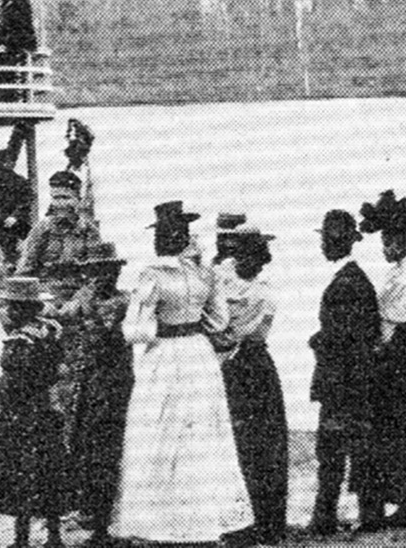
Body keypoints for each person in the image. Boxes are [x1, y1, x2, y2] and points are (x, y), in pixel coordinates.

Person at [110, 201, 252, 544]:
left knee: (160, 432)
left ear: (161, 237)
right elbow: (218, 321)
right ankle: (202, 517)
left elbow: (136, 331)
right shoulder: (205, 274)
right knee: (202, 434)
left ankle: (164, 520)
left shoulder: (152, 275)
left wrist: (153, 325)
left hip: (166, 355)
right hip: (199, 355)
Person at [358, 188, 406, 528]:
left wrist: (379, 348)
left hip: (403, 346)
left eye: (388, 240)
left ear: (401, 240)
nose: (385, 247)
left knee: (403, 423)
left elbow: (392, 317)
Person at [308, 208, 381, 535]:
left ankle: (325, 518)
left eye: (325, 238)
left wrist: (317, 340)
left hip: (341, 380)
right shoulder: (357, 279)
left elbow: (340, 337)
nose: (323, 244)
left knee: (332, 450)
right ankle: (370, 514)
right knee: (359, 447)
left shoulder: (345, 283)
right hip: (358, 379)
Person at [216, 226, 288, 545]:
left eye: (258, 256)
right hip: (227, 364)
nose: (254, 262)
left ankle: (269, 520)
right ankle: (238, 523)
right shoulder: (219, 280)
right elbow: (214, 321)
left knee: (266, 441)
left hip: (255, 364)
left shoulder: (265, 289)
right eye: (247, 254)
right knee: (235, 442)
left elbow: (252, 329)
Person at [0, 278, 70, 548]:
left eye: (11, 307)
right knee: (50, 470)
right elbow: (56, 369)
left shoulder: (21, 340)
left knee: (21, 472)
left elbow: (17, 381)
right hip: (47, 407)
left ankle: (22, 539)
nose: (8, 312)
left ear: (22, 308)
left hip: (21, 413)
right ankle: (54, 535)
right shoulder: (51, 330)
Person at [63, 242, 132, 548]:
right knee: (83, 443)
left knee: (108, 448)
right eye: (95, 272)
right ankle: (90, 508)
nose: (101, 277)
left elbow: (115, 334)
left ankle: (106, 519)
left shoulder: (124, 302)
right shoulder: (85, 296)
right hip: (87, 380)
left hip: (114, 383)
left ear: (116, 272)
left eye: (107, 271)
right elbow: (64, 315)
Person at [16, 170, 104, 304]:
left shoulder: (89, 231)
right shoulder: (42, 230)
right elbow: (24, 272)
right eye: (56, 198)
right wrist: (40, 301)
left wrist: (79, 301)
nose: (60, 204)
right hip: (46, 295)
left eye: (66, 198)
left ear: (78, 200)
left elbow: (97, 275)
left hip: (79, 296)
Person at [0, 154, 33, 267]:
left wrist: (15, 216)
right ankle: (3, 263)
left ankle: (14, 261)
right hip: (0, 218)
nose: (8, 164)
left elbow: (26, 202)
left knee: (14, 236)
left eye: (10, 161)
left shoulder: (20, 181)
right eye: (4, 161)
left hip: (18, 220)